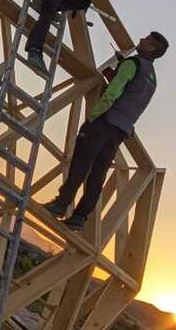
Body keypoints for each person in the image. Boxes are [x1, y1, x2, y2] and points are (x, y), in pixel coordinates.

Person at [44, 31, 169, 230]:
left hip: (104, 121)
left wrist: (94, 115)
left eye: (146, 39)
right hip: (121, 129)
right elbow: (132, 95)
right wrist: (117, 73)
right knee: (98, 171)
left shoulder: (133, 64)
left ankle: (61, 204)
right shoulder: (152, 78)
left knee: (81, 163)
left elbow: (113, 93)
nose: (141, 39)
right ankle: (79, 217)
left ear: (152, 47)